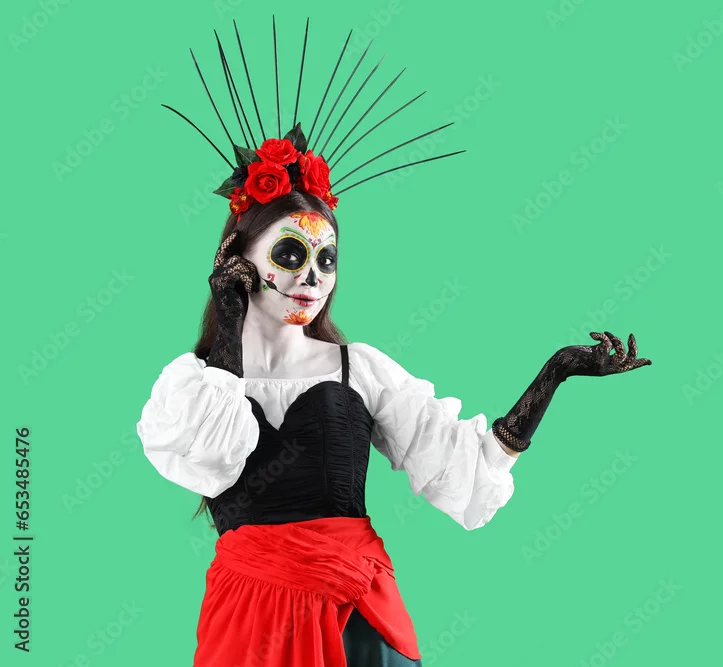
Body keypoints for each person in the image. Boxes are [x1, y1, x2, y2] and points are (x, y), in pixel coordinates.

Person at [136, 18, 651, 667]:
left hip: (356, 619)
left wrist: (556, 372)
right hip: (250, 623)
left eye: (327, 259)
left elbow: (465, 472)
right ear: (236, 255)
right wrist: (231, 318)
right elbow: (210, 456)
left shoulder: (361, 369)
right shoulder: (193, 385)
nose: (311, 277)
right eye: (291, 253)